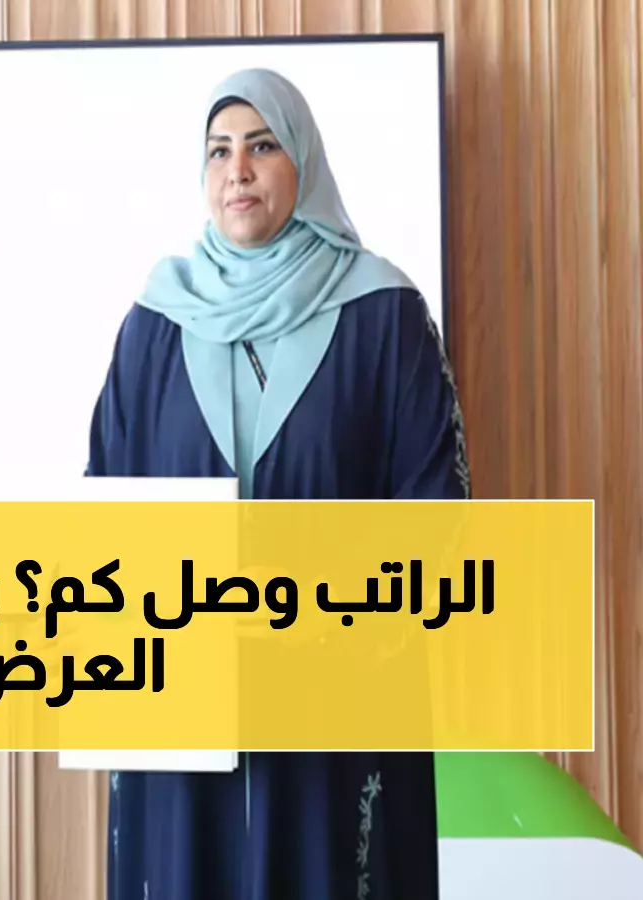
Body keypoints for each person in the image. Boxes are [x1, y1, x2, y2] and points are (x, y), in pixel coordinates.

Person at [86, 68, 469, 899]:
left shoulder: (385, 316)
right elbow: (104, 515)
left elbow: (438, 515)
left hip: (334, 706)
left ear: (304, 160)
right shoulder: (154, 326)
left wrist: (314, 613)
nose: (238, 171)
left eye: (262, 146)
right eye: (219, 151)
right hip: (187, 714)